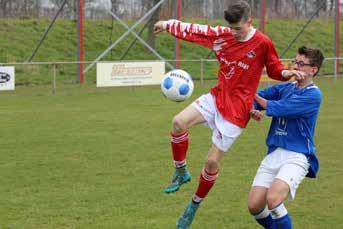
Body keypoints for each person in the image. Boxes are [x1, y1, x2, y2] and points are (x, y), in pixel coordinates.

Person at [154, 1, 303, 228]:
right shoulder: (222, 36)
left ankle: (194, 205)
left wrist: (286, 72)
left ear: (249, 22)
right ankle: (181, 171)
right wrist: (167, 24)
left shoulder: (263, 42)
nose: (234, 32)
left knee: (212, 161)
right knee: (178, 122)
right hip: (217, 97)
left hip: (238, 110)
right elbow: (194, 30)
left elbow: (273, 68)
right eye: (231, 28)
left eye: (239, 28)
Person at [248, 46, 324, 229]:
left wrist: (248, 92)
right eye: (295, 62)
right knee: (254, 206)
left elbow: (281, 108)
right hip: (274, 152)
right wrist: (253, 109)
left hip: (297, 155)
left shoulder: (314, 94)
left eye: (301, 64)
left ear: (313, 69)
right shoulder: (286, 87)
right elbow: (261, 98)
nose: (295, 67)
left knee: (273, 199)